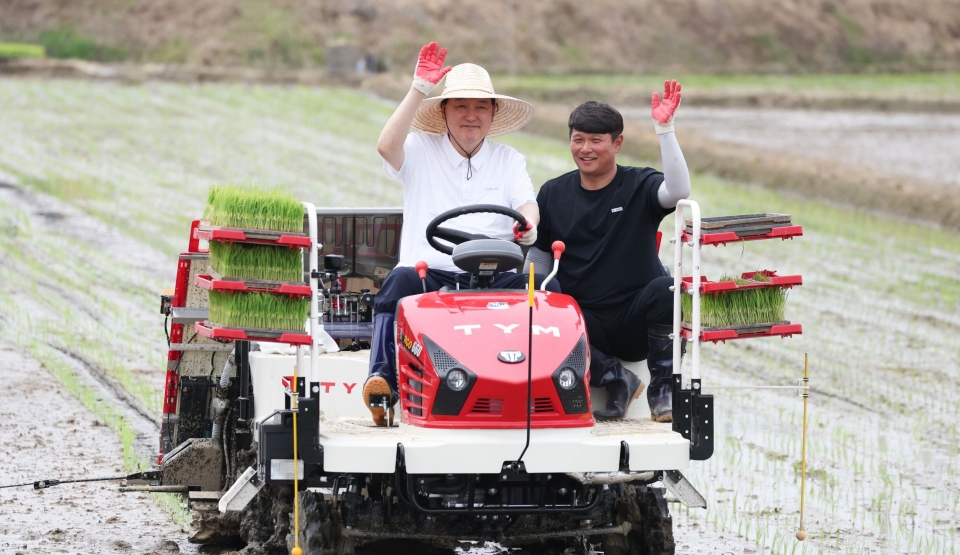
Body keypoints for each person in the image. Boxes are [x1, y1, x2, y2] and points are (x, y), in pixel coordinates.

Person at [363, 42, 557, 426]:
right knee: (398, 280)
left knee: (545, 297)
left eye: (480, 107)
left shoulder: (508, 159)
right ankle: (383, 383)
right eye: (461, 106)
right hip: (430, 275)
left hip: (496, 276)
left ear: (493, 112)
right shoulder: (419, 149)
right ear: (444, 112)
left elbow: (526, 205)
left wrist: (528, 225)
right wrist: (420, 85)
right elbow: (386, 145)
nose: (471, 116)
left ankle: (551, 389)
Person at [528, 82, 691, 422]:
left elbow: (678, 192)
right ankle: (616, 379)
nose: (585, 148)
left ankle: (664, 392)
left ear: (617, 144)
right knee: (539, 299)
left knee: (667, 289)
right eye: (578, 139)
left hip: (633, 319)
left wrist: (665, 129)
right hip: (583, 323)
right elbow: (539, 262)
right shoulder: (553, 193)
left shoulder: (639, 184)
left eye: (596, 140)